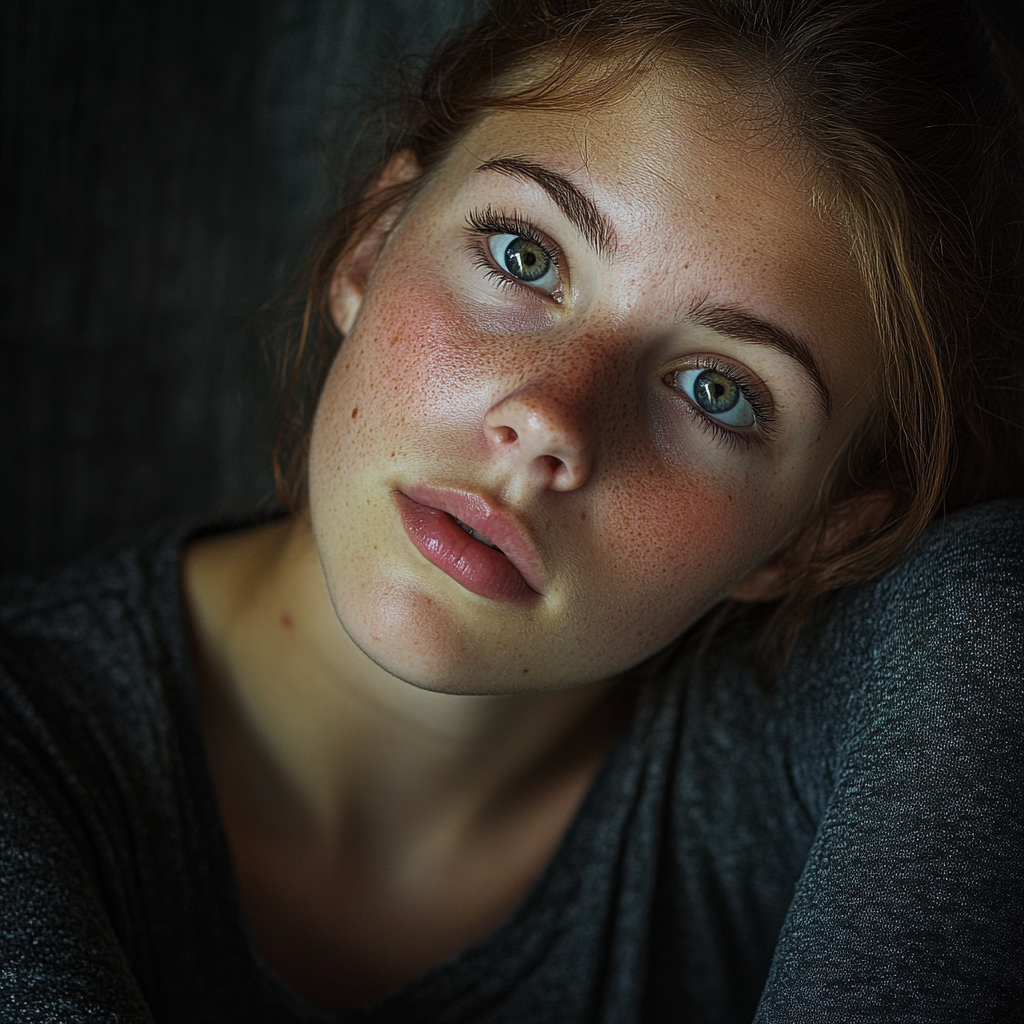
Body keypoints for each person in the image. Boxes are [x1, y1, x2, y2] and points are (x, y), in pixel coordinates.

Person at [2, 0, 1021, 1020]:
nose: (548, 420)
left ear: (816, 534)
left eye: (718, 390)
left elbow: (989, 603)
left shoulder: (781, 797)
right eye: (523, 255)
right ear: (371, 241)